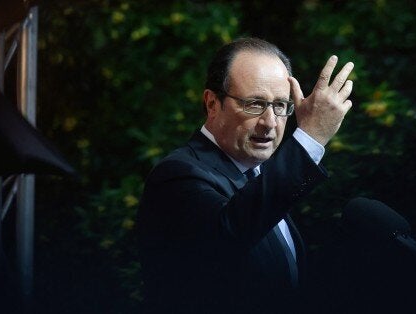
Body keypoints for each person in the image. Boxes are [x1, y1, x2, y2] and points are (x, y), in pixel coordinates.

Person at [138, 37, 354, 314]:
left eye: (280, 106)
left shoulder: (260, 177)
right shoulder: (178, 175)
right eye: (254, 104)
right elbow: (229, 235)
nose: (270, 123)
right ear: (212, 103)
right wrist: (310, 137)